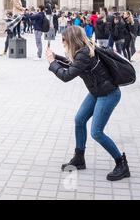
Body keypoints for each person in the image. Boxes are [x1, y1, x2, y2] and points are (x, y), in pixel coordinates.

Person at [47, 26, 130, 181]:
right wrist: (56, 57)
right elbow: (74, 65)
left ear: (72, 40)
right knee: (79, 120)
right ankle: (79, 159)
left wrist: (52, 63)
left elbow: (66, 76)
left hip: (108, 94)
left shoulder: (84, 54)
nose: (63, 42)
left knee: (97, 132)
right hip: (97, 92)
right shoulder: (84, 51)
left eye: (64, 40)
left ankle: (122, 164)